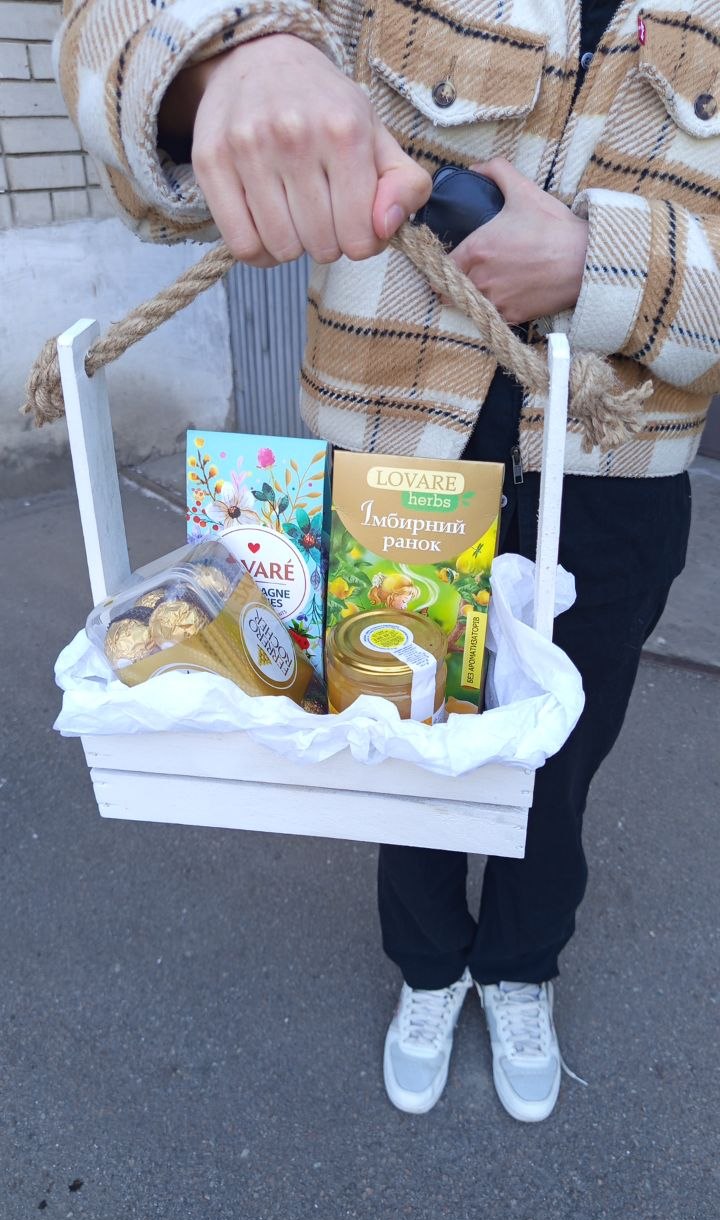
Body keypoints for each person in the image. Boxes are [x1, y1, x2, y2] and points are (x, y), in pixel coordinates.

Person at [57, 0, 718, 1121]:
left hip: (612, 477)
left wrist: (602, 262)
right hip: (394, 468)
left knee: (557, 768)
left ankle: (519, 966)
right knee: (394, 740)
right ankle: (428, 966)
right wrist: (228, 59)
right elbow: (100, 27)